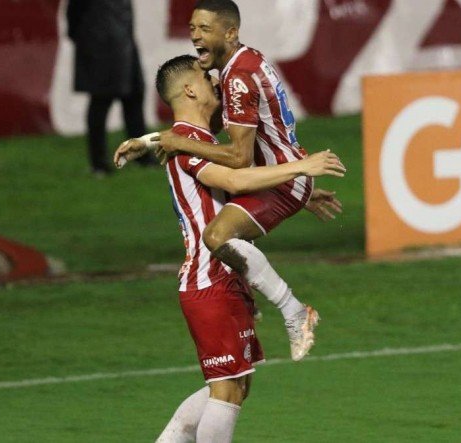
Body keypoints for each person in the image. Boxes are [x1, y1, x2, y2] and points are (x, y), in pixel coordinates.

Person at [125, 55, 345, 442]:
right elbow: (235, 180)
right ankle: (293, 309)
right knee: (226, 389)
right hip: (209, 278)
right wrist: (300, 168)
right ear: (190, 90)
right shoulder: (188, 142)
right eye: (205, 79)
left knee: (235, 385)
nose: (214, 81)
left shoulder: (198, 141)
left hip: (226, 273)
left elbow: (234, 185)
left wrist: (298, 194)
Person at [116, 0, 342, 360]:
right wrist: (151, 141)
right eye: (192, 28)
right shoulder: (245, 62)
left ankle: (294, 311)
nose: (194, 35)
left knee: (217, 236)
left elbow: (238, 158)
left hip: (280, 180)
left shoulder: (236, 78)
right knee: (226, 243)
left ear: (230, 32)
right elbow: (216, 125)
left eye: (204, 29)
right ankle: (252, 305)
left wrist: (173, 141)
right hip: (283, 177)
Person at [66, 0, 154, 176]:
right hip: (102, 42)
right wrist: (88, 38)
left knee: (134, 96)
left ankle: (139, 155)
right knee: (101, 99)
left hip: (123, 40)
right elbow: (74, 11)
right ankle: (98, 164)